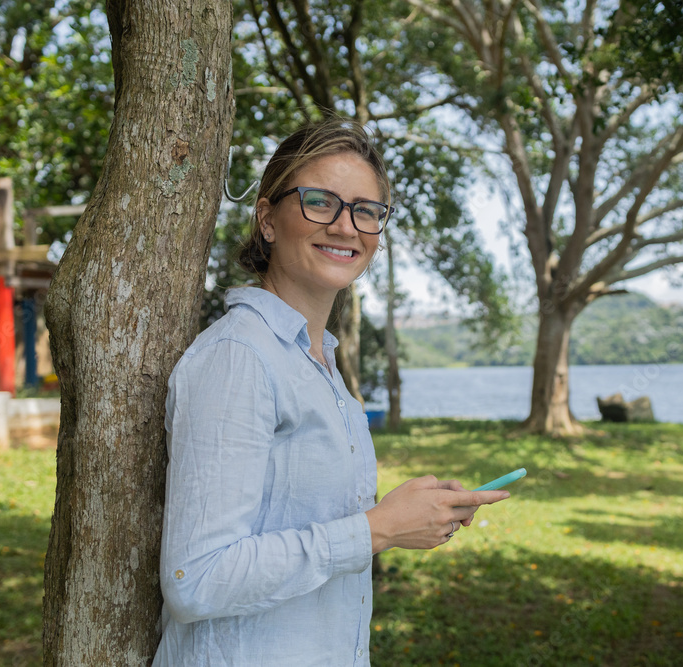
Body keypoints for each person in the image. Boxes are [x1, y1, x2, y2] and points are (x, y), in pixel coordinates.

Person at [152, 119, 511, 666]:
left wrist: (407, 514)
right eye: (320, 201)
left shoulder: (317, 361)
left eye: (366, 210)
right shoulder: (240, 357)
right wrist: (379, 528)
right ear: (268, 219)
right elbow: (197, 579)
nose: (346, 227)